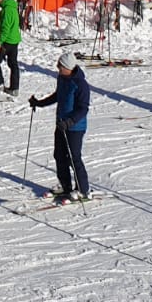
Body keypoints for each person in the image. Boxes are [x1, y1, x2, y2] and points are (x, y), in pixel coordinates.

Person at [30, 53, 91, 202]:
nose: (58, 68)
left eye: (60, 66)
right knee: (59, 156)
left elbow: (83, 109)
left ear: (68, 67)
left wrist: (70, 122)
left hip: (75, 127)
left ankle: (83, 190)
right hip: (61, 124)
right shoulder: (62, 78)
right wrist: (39, 103)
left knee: (73, 158)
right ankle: (65, 186)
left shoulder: (81, 84)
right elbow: (57, 96)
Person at [0, 0, 22, 94]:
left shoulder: (7, 10)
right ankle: (14, 88)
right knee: (13, 64)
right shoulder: (12, 7)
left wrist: (0, 43)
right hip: (14, 40)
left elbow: (5, 28)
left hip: (7, 41)